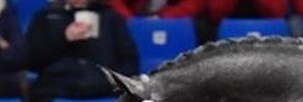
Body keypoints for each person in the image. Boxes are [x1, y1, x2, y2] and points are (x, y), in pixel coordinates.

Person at [25, 0, 140, 102]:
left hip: (102, 90)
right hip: (57, 90)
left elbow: (129, 62)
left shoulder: (110, 17)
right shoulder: (45, 16)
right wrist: (63, 38)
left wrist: (104, 80)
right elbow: (31, 60)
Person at [109, 0, 287, 43]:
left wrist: (163, 18)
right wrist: (132, 21)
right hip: (135, 18)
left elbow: (278, 10)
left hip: (263, 23)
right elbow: (216, 12)